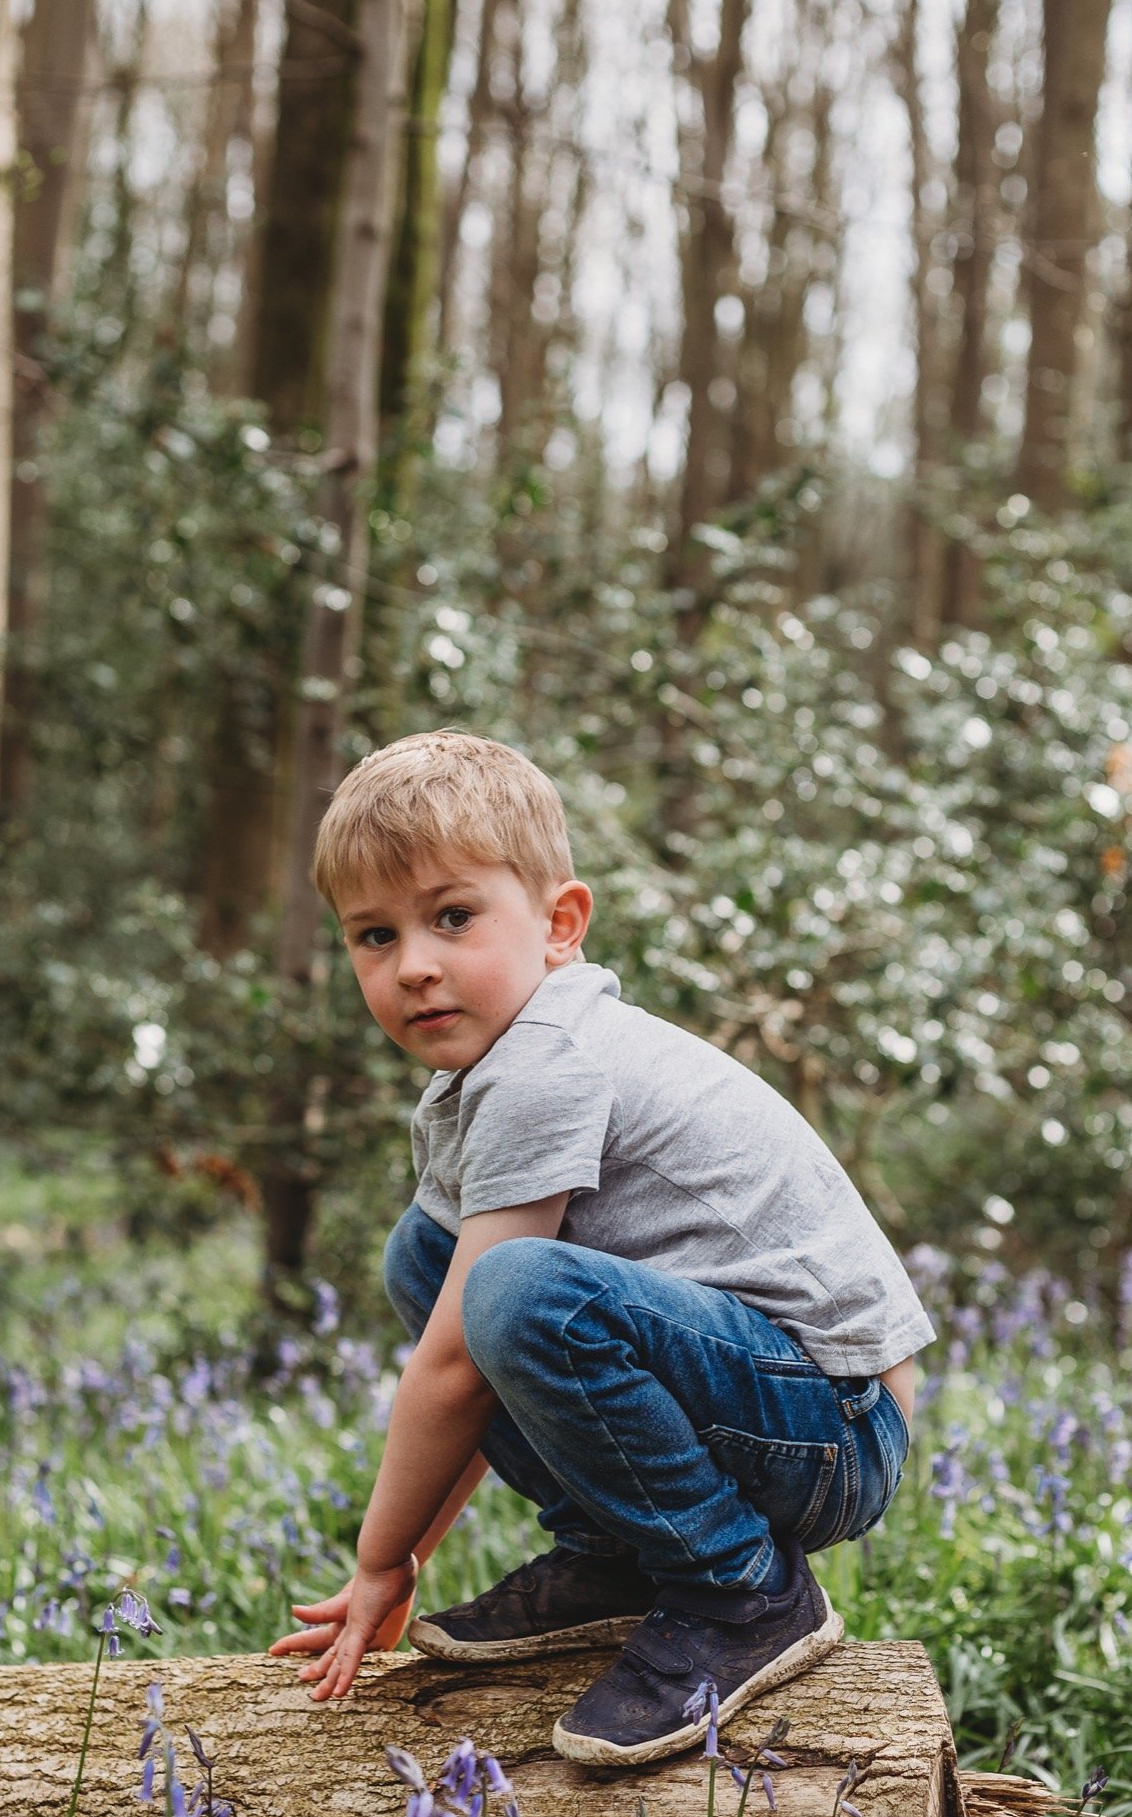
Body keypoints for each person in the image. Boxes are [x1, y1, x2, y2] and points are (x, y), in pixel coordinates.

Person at [269, 731, 933, 1765]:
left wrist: (380, 1560)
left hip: (836, 1427)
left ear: (560, 923)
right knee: (431, 1255)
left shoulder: (548, 1066)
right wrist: (405, 1562)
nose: (415, 965)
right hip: (772, 1406)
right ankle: (620, 1558)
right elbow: (469, 1359)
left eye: (452, 916)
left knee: (515, 1289)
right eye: (373, 935)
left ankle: (739, 1591)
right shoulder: (498, 1069)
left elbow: (455, 1364)